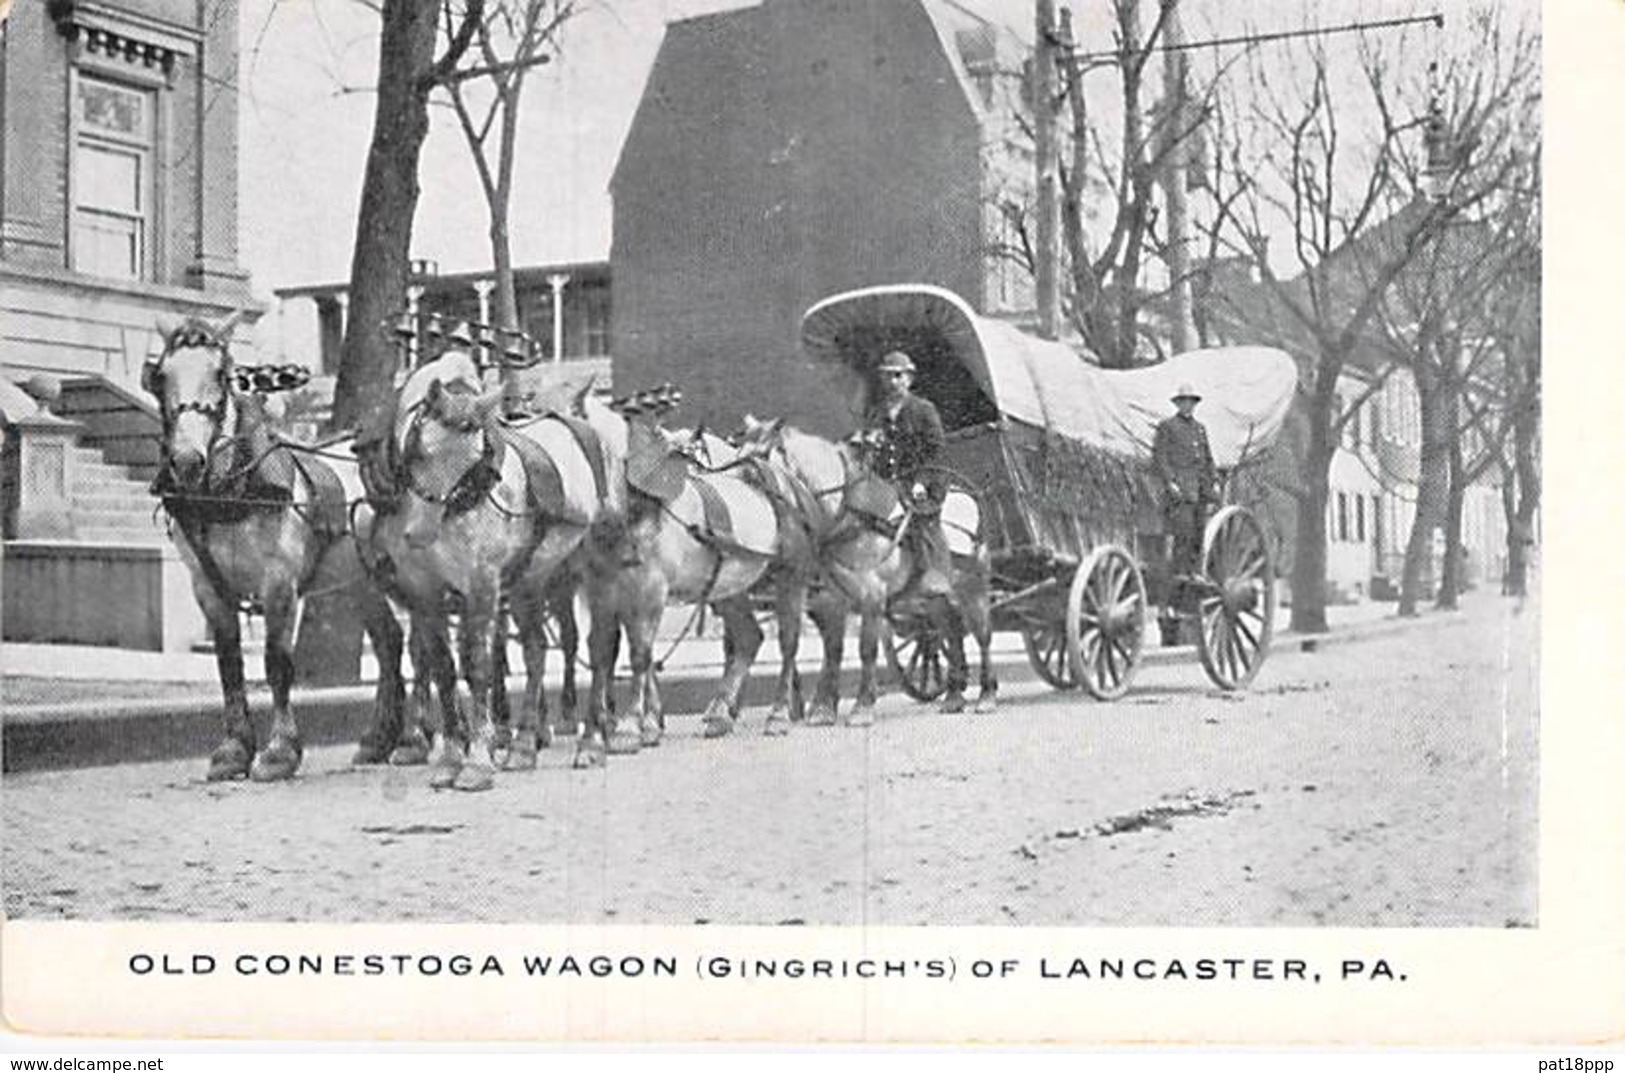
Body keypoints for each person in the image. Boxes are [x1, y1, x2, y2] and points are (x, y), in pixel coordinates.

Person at [865, 349, 951, 597]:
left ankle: (937, 574)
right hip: (890, 482)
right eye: (887, 377)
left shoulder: (924, 410)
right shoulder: (877, 412)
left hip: (926, 481)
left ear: (909, 379)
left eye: (898, 376)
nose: (892, 382)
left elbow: (936, 451)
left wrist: (922, 482)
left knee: (923, 520)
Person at [1153, 383, 1218, 586]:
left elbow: (1207, 458)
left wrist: (1214, 480)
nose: (1187, 406)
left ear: (1194, 405)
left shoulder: (1200, 429)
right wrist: (1170, 481)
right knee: (1184, 530)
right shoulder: (1168, 426)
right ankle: (1180, 571)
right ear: (1177, 404)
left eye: (1190, 402)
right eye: (1183, 402)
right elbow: (1160, 457)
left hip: (1200, 488)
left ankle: (1194, 571)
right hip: (1180, 488)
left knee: (1200, 530)